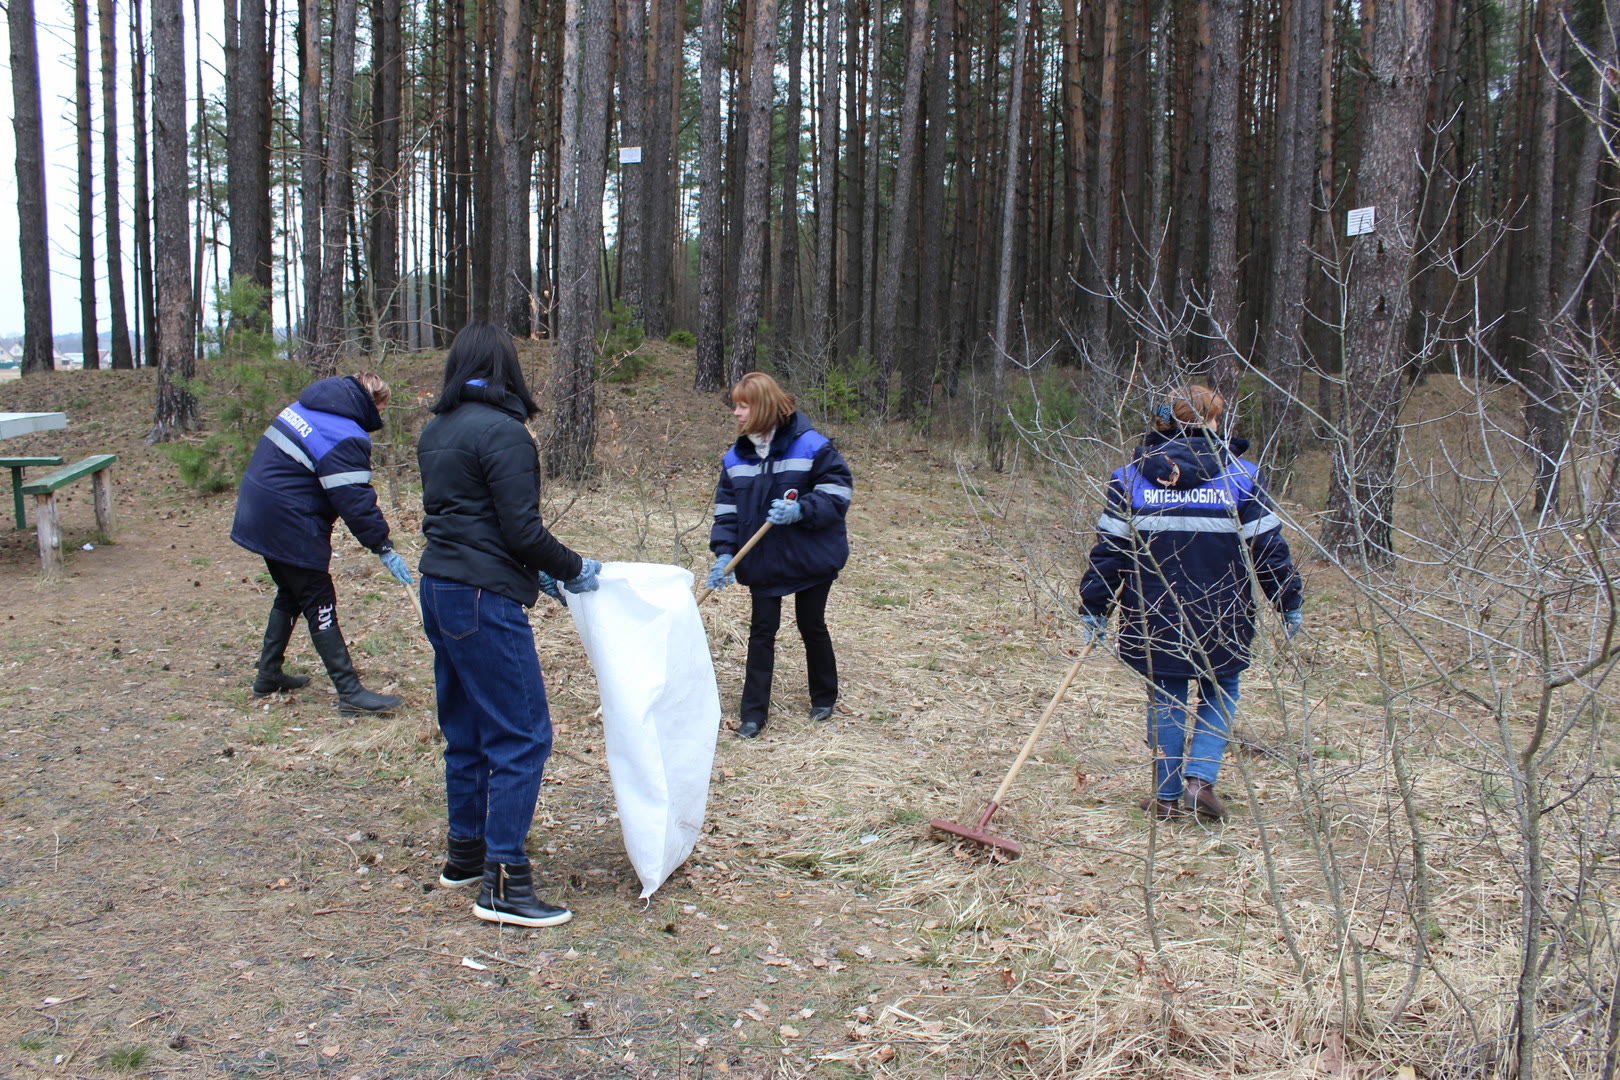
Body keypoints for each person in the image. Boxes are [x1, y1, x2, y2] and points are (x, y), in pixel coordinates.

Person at [416, 322, 602, 929]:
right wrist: (573, 569)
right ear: (507, 369)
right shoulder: (506, 433)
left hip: (439, 591)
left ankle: (465, 854)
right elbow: (520, 530)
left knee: (467, 728)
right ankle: (502, 883)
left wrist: (536, 574)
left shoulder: (437, 429)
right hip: (479, 598)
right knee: (523, 735)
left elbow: (474, 521)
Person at [1077, 386, 1303, 821]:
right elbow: (1268, 549)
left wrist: (1094, 607)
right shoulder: (1240, 477)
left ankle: (1166, 797)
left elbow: (1110, 552)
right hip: (1225, 613)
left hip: (1154, 614)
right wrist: (1287, 598)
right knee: (1221, 689)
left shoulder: (1129, 479)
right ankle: (1199, 783)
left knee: (1166, 696)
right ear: (1211, 423)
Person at [231, 370, 410, 714]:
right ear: (371, 405)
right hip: (286, 519)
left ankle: (268, 674)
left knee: (291, 590)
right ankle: (349, 692)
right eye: (382, 410)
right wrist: (383, 546)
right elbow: (355, 501)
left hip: (259, 510)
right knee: (318, 596)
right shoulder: (344, 434)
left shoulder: (306, 407)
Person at [706, 372, 853, 739]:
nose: (736, 413)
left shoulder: (812, 446)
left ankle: (824, 696)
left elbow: (838, 491)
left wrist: (802, 509)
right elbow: (726, 512)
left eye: (743, 405)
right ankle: (753, 715)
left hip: (811, 557)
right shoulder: (735, 458)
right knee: (761, 632)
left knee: (811, 624)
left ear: (763, 407)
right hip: (763, 562)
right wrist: (724, 555)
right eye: (736, 406)